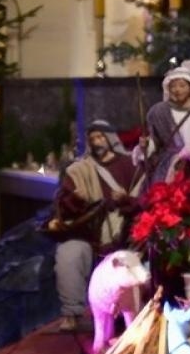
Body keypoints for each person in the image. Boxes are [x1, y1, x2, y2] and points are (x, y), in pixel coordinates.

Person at [51, 121, 137, 332]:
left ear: (110, 138)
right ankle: (72, 314)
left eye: (100, 137)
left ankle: (131, 314)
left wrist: (126, 200)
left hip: (126, 232)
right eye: (92, 139)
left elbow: (143, 196)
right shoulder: (81, 169)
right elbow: (63, 203)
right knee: (68, 253)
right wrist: (77, 199)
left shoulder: (131, 165)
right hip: (90, 233)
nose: (96, 142)